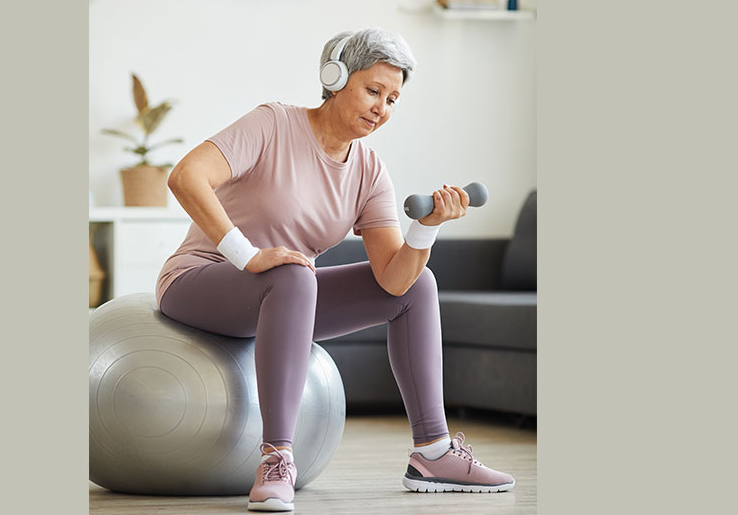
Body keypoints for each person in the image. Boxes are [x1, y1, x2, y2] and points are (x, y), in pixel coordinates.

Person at [156, 28, 515, 512]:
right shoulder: (273, 124)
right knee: (293, 273)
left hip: (284, 293)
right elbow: (186, 176)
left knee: (418, 284)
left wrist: (426, 228)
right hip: (200, 279)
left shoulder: (368, 170)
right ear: (335, 77)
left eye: (392, 99)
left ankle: (433, 452)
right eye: (373, 90)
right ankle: (276, 458)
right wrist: (247, 255)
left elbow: (393, 280)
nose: (382, 108)